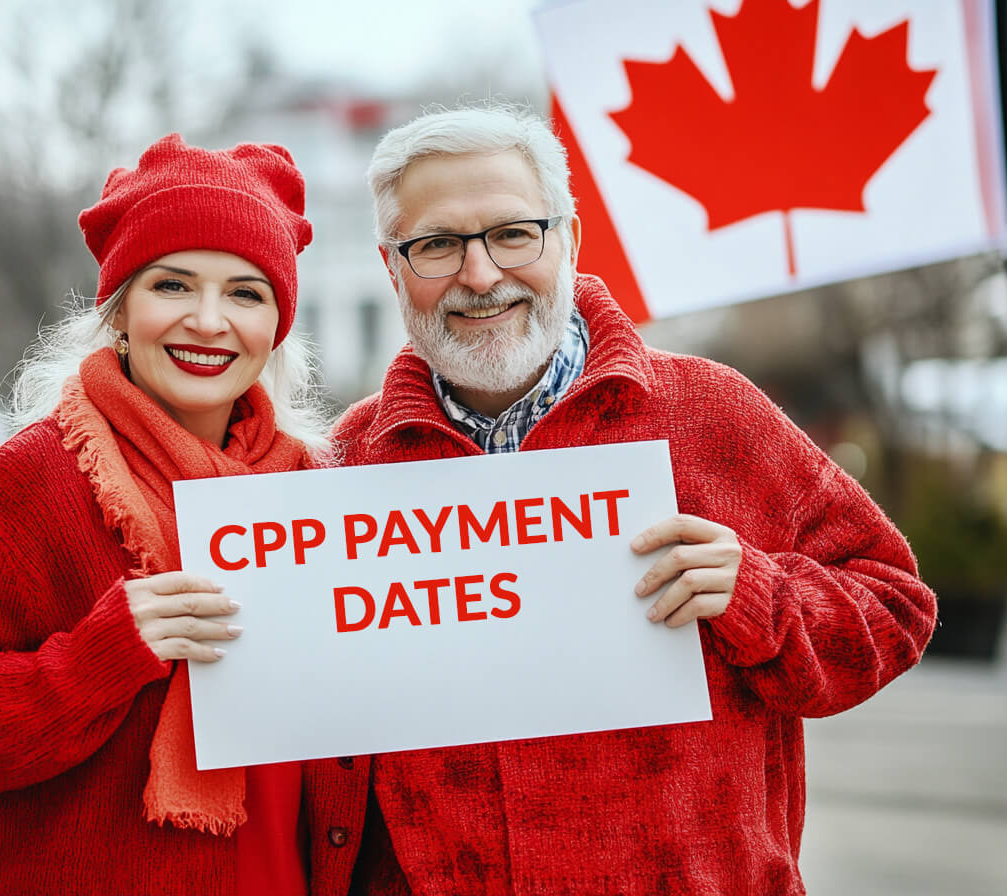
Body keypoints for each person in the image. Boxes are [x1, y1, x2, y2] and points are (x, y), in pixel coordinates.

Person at [318, 104, 938, 895]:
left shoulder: (713, 413)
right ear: (392, 267)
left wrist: (756, 594)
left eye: (514, 233)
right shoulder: (345, 461)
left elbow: (896, 608)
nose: (479, 275)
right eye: (437, 244)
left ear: (569, 238)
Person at [0, 134, 337, 895]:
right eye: (173, 286)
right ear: (120, 309)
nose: (209, 321)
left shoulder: (309, 490)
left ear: (276, 327)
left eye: (245, 293)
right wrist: (103, 657)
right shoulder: (31, 481)